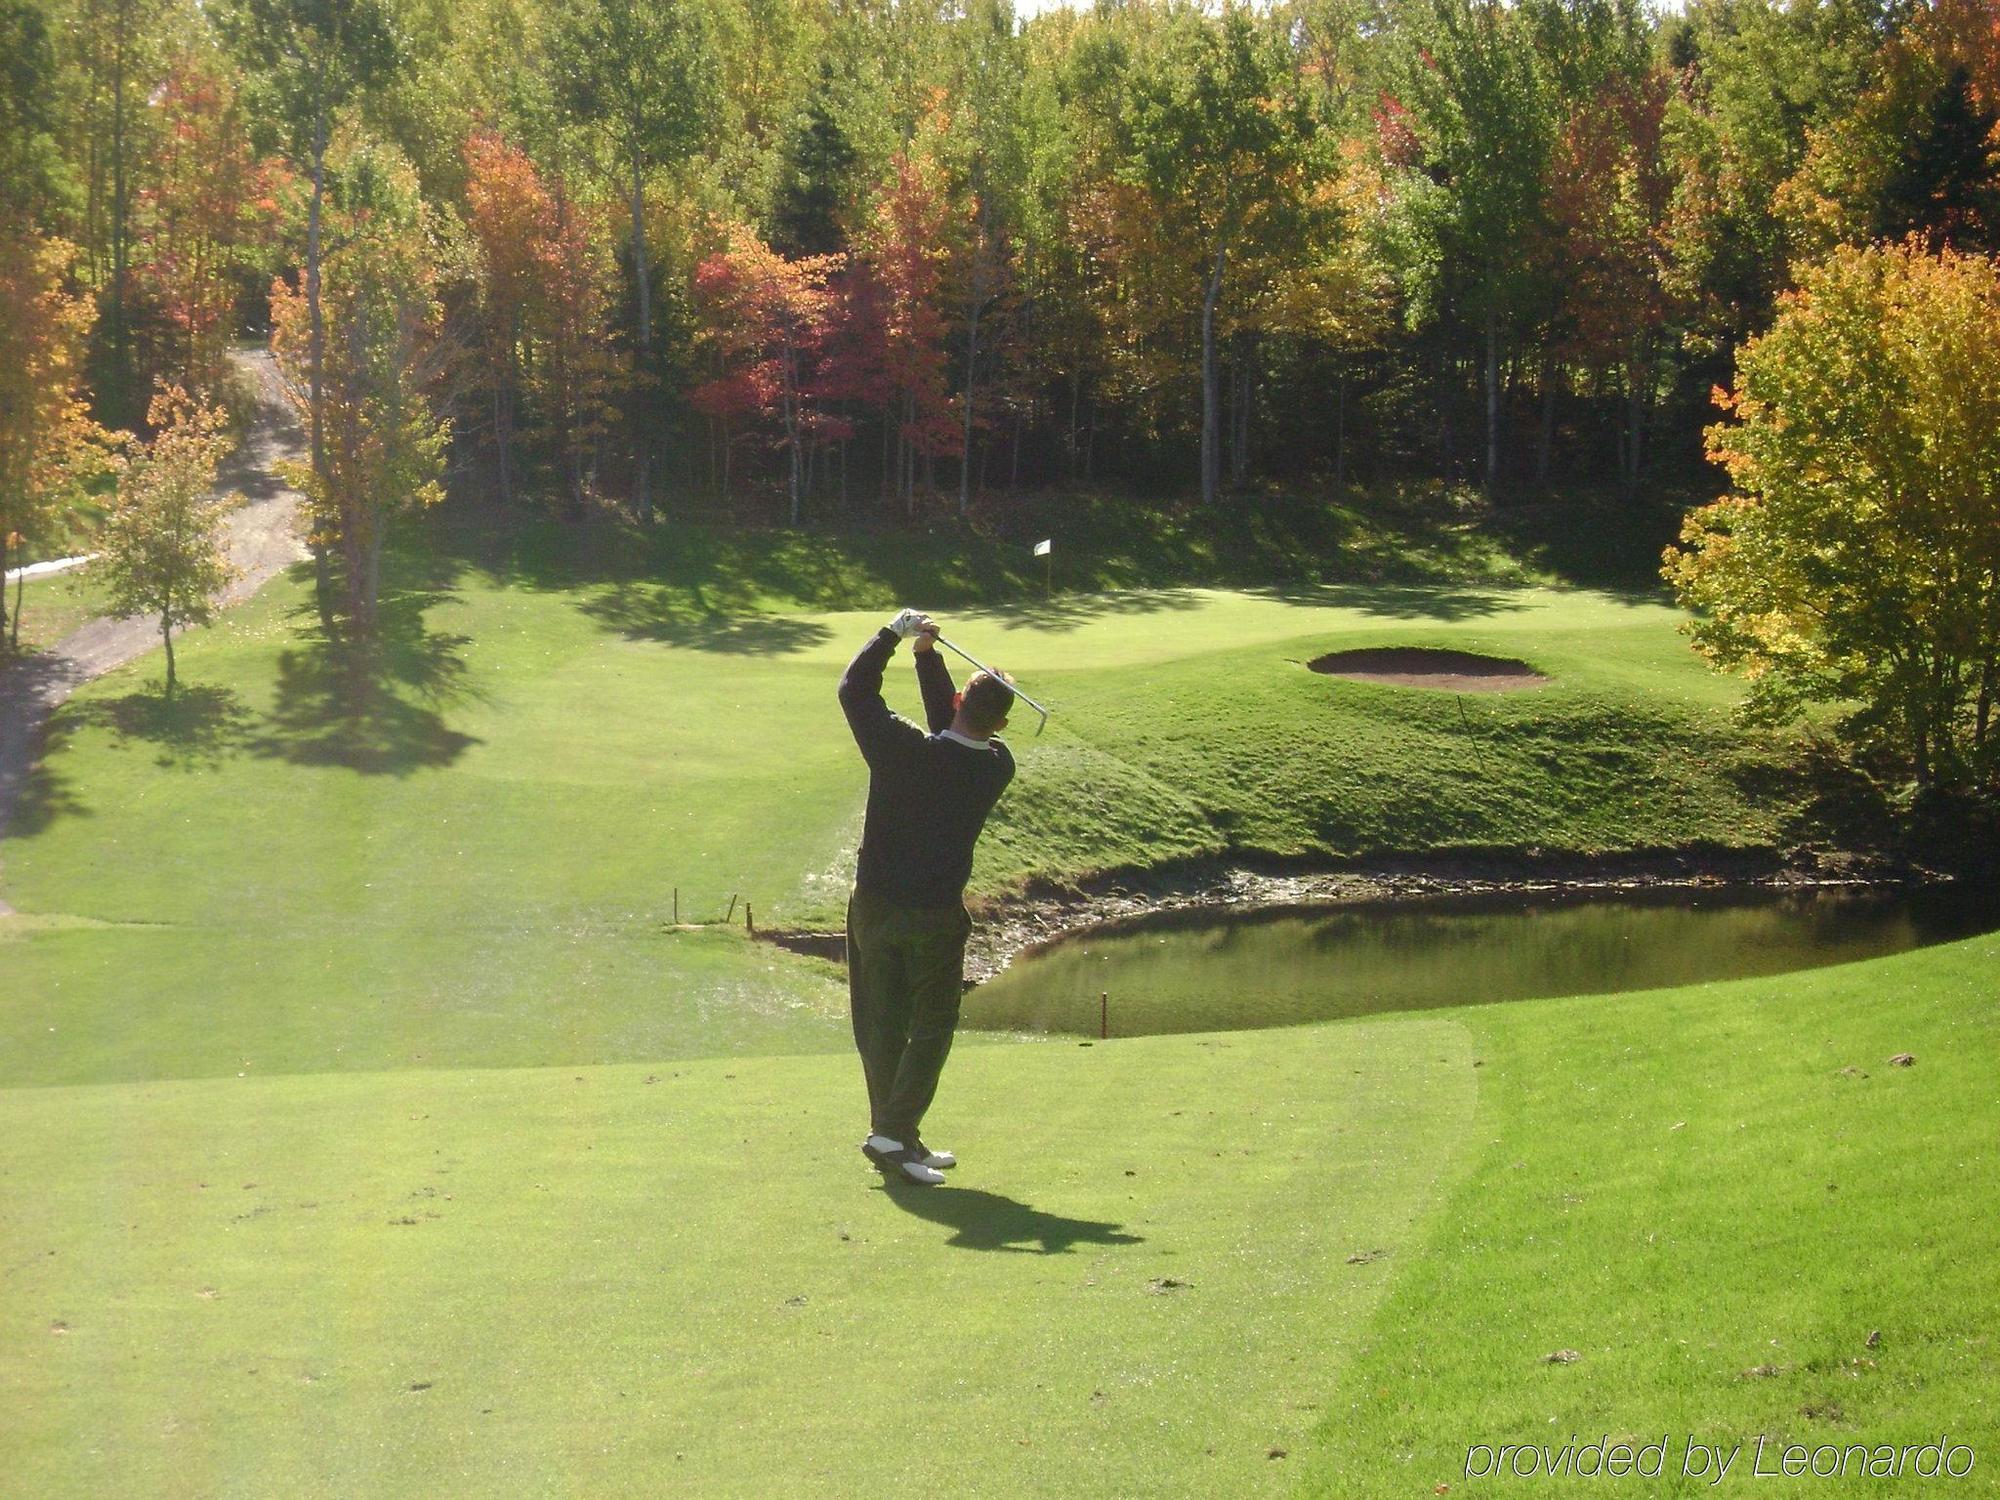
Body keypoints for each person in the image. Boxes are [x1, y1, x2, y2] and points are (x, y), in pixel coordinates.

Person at [838, 608, 1016, 1186]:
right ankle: (896, 1134)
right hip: (936, 915)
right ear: (1004, 724)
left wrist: (896, 635)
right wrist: (930, 661)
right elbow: (957, 728)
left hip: (876, 908)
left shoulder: (902, 749)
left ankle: (893, 1133)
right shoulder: (997, 765)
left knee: (881, 1021)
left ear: (963, 698)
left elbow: (854, 690)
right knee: (932, 1025)